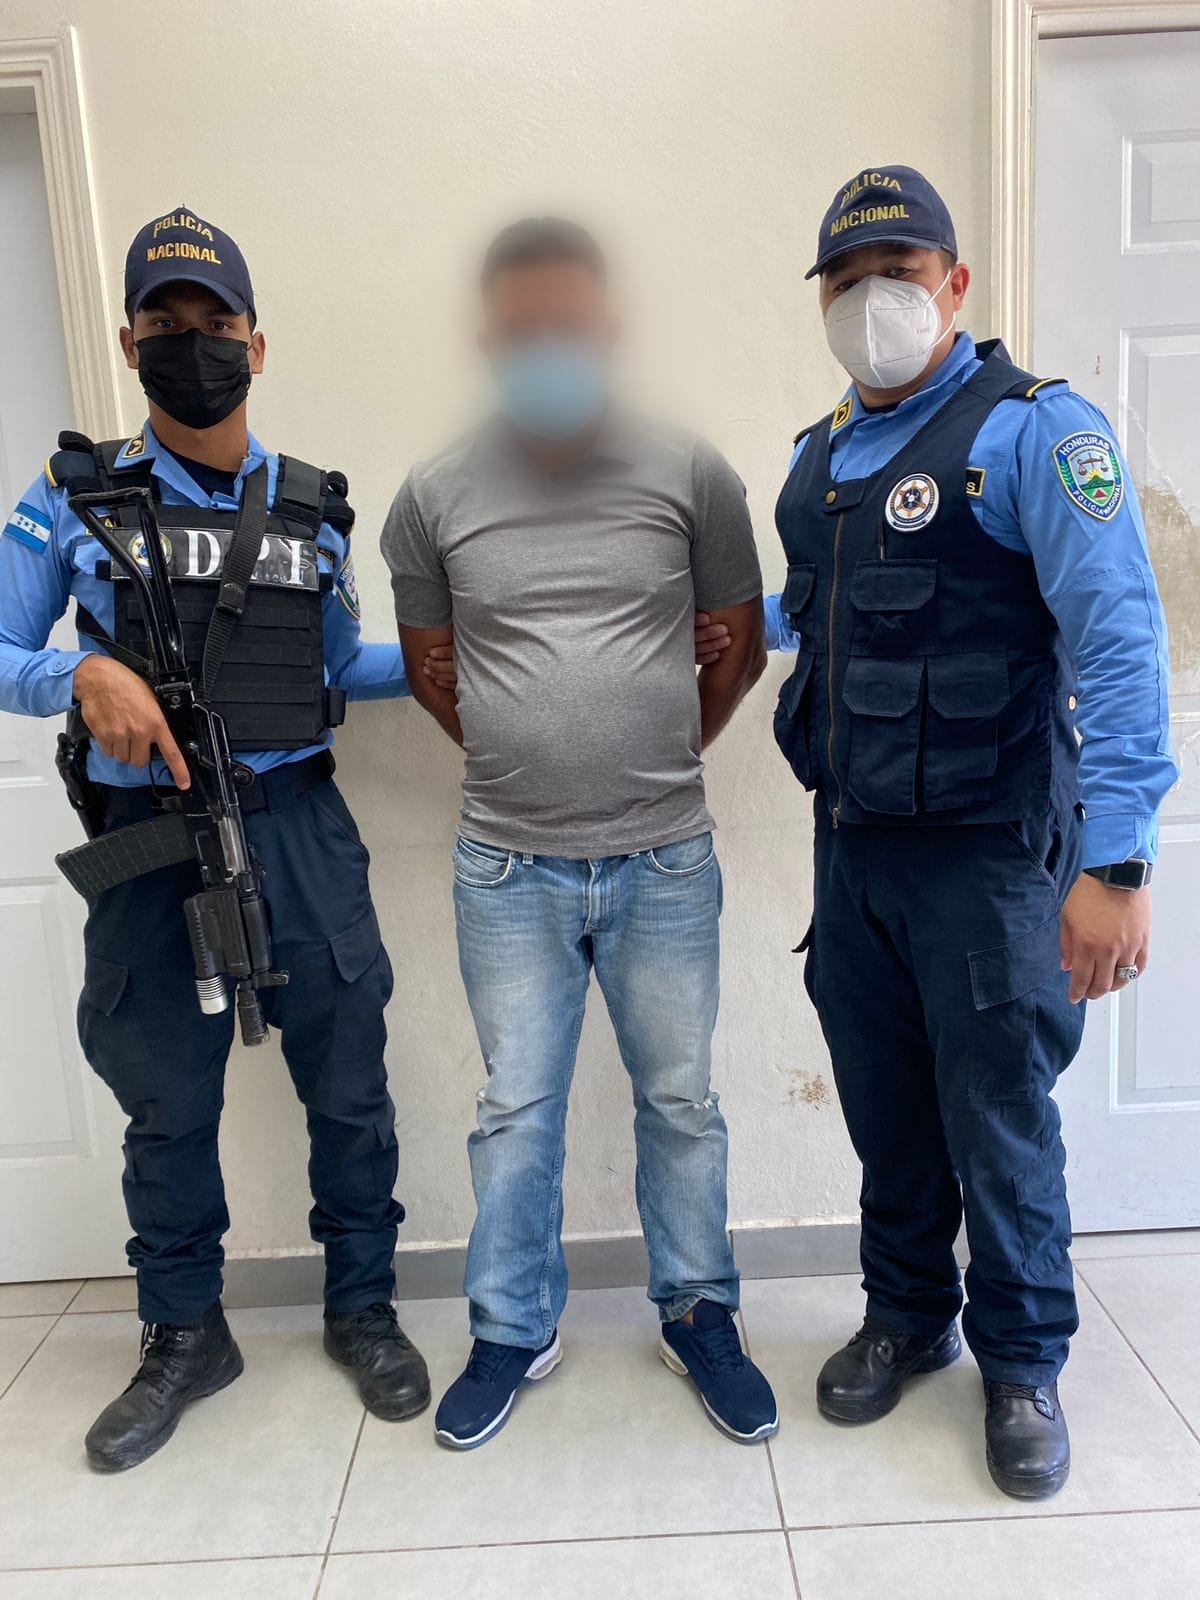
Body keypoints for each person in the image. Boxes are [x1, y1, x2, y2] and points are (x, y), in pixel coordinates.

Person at [0, 207, 440, 1471]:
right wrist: (78, 678)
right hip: (148, 838)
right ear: (129, 343)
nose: (191, 343)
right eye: (165, 323)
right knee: (163, 1095)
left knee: (348, 1082)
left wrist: (442, 661)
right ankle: (186, 1332)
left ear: (257, 340)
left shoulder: (313, 507)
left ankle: (362, 1306)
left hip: (297, 824)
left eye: (215, 322)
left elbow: (333, 665)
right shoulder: (69, 494)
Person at [772, 167, 1176, 1499]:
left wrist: (1116, 863)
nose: (871, 300)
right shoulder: (817, 460)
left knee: (998, 1120)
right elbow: (823, 619)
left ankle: (1022, 1359)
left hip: (993, 857)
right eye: (846, 281)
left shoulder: (1034, 435)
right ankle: (907, 1316)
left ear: (953, 284)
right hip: (856, 852)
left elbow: (1121, 648)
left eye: (898, 273)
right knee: (889, 1111)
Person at [382, 216, 779, 1451]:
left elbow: (739, 648)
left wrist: (654, 752)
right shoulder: (432, 496)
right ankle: (513, 1327)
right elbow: (434, 673)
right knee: (516, 1109)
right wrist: (530, 752)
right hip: (507, 866)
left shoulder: (692, 473)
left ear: (606, 331)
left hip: (667, 857)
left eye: (569, 325)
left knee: (682, 1100)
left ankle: (700, 1312)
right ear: (489, 342)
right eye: (523, 330)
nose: (547, 346)